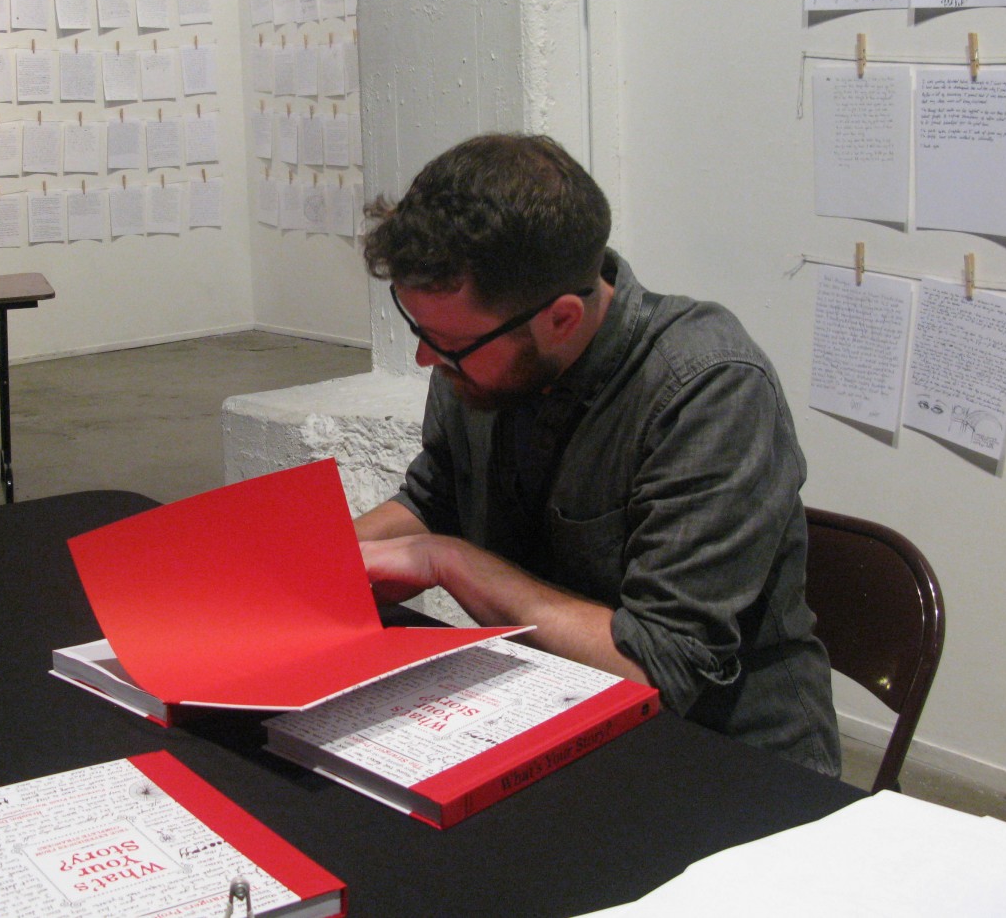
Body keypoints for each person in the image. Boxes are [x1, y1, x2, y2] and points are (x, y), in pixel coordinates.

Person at [354, 132, 840, 776]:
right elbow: (434, 497)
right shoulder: (480, 361)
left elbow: (658, 668)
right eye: (420, 331)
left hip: (721, 758)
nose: (426, 359)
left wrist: (446, 560)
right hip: (543, 711)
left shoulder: (707, 389)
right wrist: (317, 563)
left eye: (446, 342)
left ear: (560, 318)